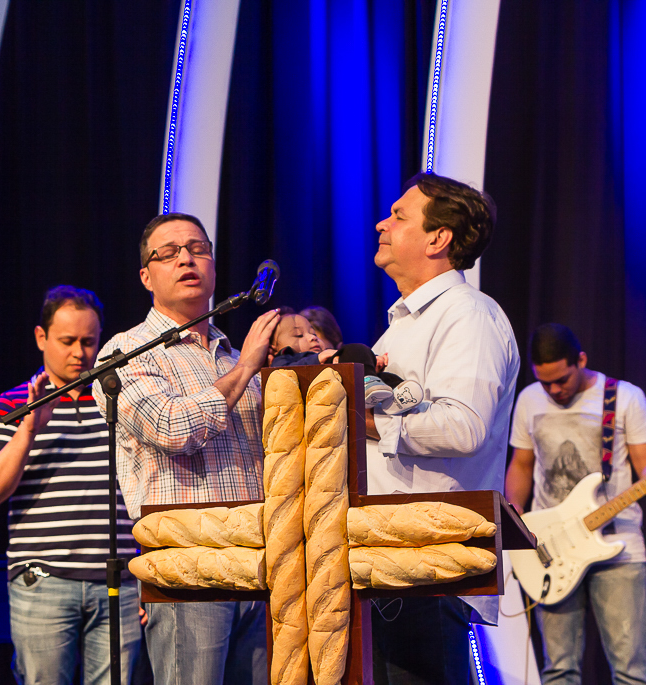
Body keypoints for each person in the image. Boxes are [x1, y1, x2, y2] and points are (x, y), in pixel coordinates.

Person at [93, 212, 278, 685]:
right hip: (188, 567)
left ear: (213, 265)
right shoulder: (124, 353)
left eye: (198, 249)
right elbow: (173, 428)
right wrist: (247, 370)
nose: (186, 259)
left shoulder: (234, 355)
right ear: (146, 276)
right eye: (169, 253)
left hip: (260, 564)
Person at [367, 172, 520, 684]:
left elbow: (463, 426)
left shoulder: (467, 314)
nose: (381, 224)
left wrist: (364, 421)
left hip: (429, 561)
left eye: (398, 216)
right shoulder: (404, 323)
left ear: (438, 239)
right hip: (389, 556)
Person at [0, 286, 142, 685]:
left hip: (119, 584)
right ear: (41, 337)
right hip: (43, 582)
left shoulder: (120, 399)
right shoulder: (12, 403)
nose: (80, 353)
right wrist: (29, 428)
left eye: (89, 341)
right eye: (67, 341)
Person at [504, 323, 646, 684]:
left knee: (631, 670)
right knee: (559, 670)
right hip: (551, 548)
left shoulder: (626, 397)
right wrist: (515, 514)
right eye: (545, 383)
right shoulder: (528, 399)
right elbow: (521, 465)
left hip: (619, 547)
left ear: (581, 360)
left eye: (562, 380)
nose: (554, 390)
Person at [269, 308, 422, 413]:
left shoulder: (326, 356)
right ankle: (368, 382)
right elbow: (281, 372)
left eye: (313, 333)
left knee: (383, 376)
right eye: (298, 335)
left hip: (343, 386)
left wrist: (372, 359)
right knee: (354, 349)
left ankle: (397, 393)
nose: (312, 337)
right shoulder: (283, 359)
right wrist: (317, 358)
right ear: (274, 347)